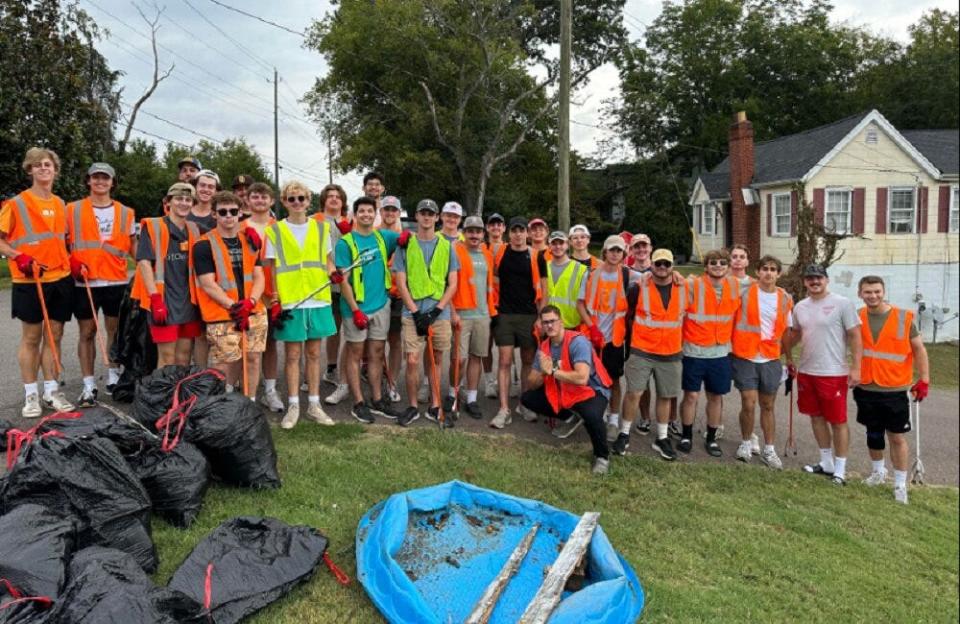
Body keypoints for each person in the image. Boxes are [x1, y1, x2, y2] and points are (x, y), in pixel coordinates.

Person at [0, 147, 76, 416]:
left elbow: (61, 240)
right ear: (30, 170)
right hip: (29, 280)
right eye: (38, 165)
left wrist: (71, 259)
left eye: (48, 164)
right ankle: (30, 395)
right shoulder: (16, 204)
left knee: (54, 337)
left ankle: (51, 391)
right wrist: (17, 256)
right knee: (31, 338)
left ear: (55, 170)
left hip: (60, 279)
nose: (44, 168)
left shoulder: (60, 204)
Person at [265, 181, 339, 429]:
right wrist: (275, 300)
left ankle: (314, 405)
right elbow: (272, 269)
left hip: (318, 298)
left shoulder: (321, 229)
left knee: (315, 353)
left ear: (308, 201)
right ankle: (294, 405)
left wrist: (334, 273)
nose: (297, 203)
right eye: (291, 198)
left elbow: (328, 261)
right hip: (291, 301)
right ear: (284, 202)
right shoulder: (274, 231)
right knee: (293, 355)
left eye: (301, 198)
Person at [854, 275, 929, 504]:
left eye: (877, 291)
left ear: (883, 291)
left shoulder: (903, 318)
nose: (873, 296)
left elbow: (919, 350)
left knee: (896, 437)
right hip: (866, 386)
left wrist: (923, 379)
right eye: (868, 292)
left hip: (895, 388)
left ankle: (899, 484)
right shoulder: (857, 317)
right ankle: (878, 472)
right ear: (860, 294)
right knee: (873, 433)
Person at [66, 162, 136, 406]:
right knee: (87, 332)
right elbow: (61, 243)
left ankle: (113, 376)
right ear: (88, 181)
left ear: (112, 182)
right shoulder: (72, 209)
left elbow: (132, 245)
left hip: (115, 280)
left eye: (105, 178)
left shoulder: (126, 212)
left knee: (115, 332)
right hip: (85, 281)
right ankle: (88, 384)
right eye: (95, 177)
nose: (100, 182)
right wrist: (71, 262)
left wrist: (147, 266)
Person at [785, 263, 862, 486]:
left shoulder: (842, 304)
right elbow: (797, 335)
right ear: (805, 282)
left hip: (833, 372)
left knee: (838, 421)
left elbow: (855, 336)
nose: (814, 282)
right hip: (808, 370)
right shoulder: (800, 306)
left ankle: (840, 468)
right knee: (816, 417)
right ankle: (826, 462)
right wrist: (782, 354)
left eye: (819, 278)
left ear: (826, 280)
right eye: (810, 278)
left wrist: (856, 367)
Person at [521, 305, 613, 475]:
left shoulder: (578, 342)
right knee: (527, 398)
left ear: (561, 322)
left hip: (592, 390)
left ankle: (602, 457)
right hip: (566, 390)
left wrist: (553, 370)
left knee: (591, 415)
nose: (549, 326)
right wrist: (543, 370)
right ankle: (571, 414)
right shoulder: (544, 347)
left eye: (553, 321)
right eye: (545, 322)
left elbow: (582, 378)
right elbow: (532, 382)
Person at [193, 191, 266, 399]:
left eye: (233, 211)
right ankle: (222, 404)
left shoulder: (249, 240)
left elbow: (259, 276)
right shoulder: (203, 244)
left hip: (254, 312)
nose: (228, 216)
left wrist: (250, 302)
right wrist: (234, 307)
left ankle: (250, 403)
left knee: (252, 359)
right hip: (222, 315)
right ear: (214, 215)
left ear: (239, 213)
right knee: (224, 363)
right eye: (222, 212)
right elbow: (208, 284)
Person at [393, 199, 459, 426]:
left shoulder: (447, 246)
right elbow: (400, 281)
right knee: (412, 360)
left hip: (438, 313)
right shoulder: (406, 245)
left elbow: (452, 283)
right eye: (423, 213)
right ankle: (412, 406)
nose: (427, 217)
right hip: (412, 313)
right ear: (417, 216)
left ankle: (434, 403)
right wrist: (415, 312)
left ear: (437, 216)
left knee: (436, 359)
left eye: (431, 213)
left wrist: (437, 310)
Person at [617, 249, 687, 461]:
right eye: (658, 264)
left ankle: (662, 437)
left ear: (672, 266)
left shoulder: (684, 287)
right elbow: (626, 316)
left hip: (671, 352)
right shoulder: (638, 288)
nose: (662, 268)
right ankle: (624, 433)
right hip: (642, 350)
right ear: (652, 266)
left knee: (665, 396)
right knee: (634, 393)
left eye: (667, 264)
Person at [336, 196, 401, 424]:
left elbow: (406, 239)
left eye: (369, 211)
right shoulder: (346, 243)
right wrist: (355, 310)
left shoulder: (383, 237)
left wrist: (407, 238)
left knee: (376, 353)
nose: (365, 214)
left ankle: (377, 398)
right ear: (355, 215)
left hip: (381, 304)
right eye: (361, 211)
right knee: (355, 354)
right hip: (356, 309)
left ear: (375, 214)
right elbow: (343, 280)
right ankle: (358, 402)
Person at [730, 255, 793, 469]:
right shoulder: (745, 292)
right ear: (758, 272)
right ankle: (746, 443)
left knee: (768, 405)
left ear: (778, 274)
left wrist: (790, 357)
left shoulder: (785, 298)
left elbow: (786, 331)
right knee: (748, 402)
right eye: (764, 268)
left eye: (773, 269)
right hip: (745, 355)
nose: (768, 272)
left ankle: (769, 449)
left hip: (770, 358)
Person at [677, 248, 740, 457]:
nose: (718, 266)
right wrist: (677, 274)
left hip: (721, 353)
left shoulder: (735, 285)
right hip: (694, 351)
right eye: (713, 262)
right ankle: (686, 435)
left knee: (715, 397)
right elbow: (675, 283)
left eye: (723, 262)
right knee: (691, 395)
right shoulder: (693, 284)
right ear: (706, 266)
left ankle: (711, 438)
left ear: (728, 267)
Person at [132, 183, 203, 368]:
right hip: (164, 301)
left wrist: (245, 232)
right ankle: (164, 395)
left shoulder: (194, 229)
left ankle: (179, 396)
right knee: (167, 358)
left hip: (188, 302)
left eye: (188, 200)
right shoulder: (154, 226)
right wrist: (154, 298)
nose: (184, 203)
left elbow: (222, 232)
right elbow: (144, 262)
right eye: (179, 199)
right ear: (168, 202)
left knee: (184, 356)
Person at [490, 217, 542, 428]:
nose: (518, 234)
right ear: (508, 233)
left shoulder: (535, 255)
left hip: (529, 315)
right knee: (504, 361)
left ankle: (524, 403)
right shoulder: (499, 252)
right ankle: (504, 409)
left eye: (522, 230)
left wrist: (540, 316)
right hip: (504, 315)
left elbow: (543, 288)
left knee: (527, 361)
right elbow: (493, 281)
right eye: (514, 230)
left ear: (527, 234)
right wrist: (493, 308)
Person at [449, 216, 496, 418]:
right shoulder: (454, 250)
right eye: (470, 231)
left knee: (477, 356)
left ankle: (472, 398)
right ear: (464, 232)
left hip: (483, 314)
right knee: (459, 359)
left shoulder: (486, 253)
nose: (474, 235)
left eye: (478, 231)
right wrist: (452, 311)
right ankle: (452, 394)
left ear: (482, 234)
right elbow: (447, 283)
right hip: (461, 314)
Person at [245, 182, 284, 412]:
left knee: (270, 344)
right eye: (255, 197)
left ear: (271, 201)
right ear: (248, 201)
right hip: (247, 295)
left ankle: (269, 390)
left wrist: (279, 296)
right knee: (245, 347)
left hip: (272, 294)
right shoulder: (238, 226)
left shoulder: (279, 228)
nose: (260, 201)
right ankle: (245, 391)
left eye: (264, 197)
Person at [315, 184, 352, 404]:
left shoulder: (350, 221)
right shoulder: (315, 220)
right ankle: (328, 368)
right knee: (326, 329)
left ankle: (345, 373)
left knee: (345, 328)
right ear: (324, 200)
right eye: (330, 197)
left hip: (346, 282)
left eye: (338, 197)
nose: (334, 200)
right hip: (322, 282)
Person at [378, 195, 405, 403]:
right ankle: (378, 381)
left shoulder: (406, 237)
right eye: (386, 209)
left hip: (398, 295)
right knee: (376, 343)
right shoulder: (373, 234)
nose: (389, 213)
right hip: (377, 295)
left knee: (395, 341)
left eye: (393, 210)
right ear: (381, 212)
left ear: (398, 213)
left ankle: (392, 382)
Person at [540, 231, 589, 331]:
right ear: (549, 246)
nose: (558, 247)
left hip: (571, 325)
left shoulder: (581, 269)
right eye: (554, 243)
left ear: (567, 245)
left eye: (561, 243)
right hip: (548, 324)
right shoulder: (543, 267)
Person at [483, 212, 507, 398]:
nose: (496, 228)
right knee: (485, 345)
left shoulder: (509, 249)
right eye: (492, 224)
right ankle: (489, 380)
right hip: (483, 304)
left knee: (505, 345)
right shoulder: (481, 248)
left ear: (503, 228)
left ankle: (508, 380)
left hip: (503, 304)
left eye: (499, 225)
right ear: (487, 228)